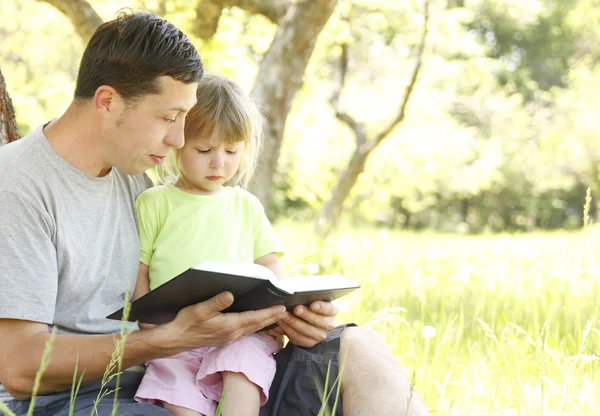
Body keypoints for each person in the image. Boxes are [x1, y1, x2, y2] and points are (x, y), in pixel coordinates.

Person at [0, 10, 430, 416]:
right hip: (79, 399)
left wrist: (288, 314)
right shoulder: (18, 186)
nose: (179, 139)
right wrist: (166, 341)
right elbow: (19, 370)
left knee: (360, 350)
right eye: (169, 117)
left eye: (185, 118)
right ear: (108, 101)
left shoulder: (132, 173)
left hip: (193, 367)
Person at [132, 73, 285, 416]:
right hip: (175, 338)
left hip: (238, 333)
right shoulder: (155, 203)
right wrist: (150, 326)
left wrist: (278, 308)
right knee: (174, 385)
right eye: (204, 150)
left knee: (243, 367)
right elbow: (139, 271)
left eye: (232, 151)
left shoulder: (245, 206)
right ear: (178, 142)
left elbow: (270, 264)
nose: (219, 162)